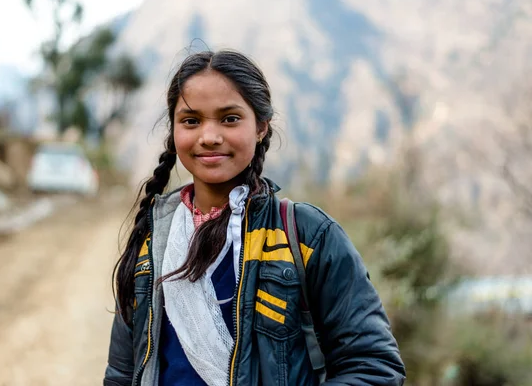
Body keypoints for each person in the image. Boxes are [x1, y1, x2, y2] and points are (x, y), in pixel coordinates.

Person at [104, 50, 405, 386]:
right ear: (173, 130)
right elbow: (120, 375)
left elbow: (373, 366)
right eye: (191, 120)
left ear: (261, 126)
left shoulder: (308, 238)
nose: (209, 136)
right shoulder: (152, 244)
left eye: (230, 118)